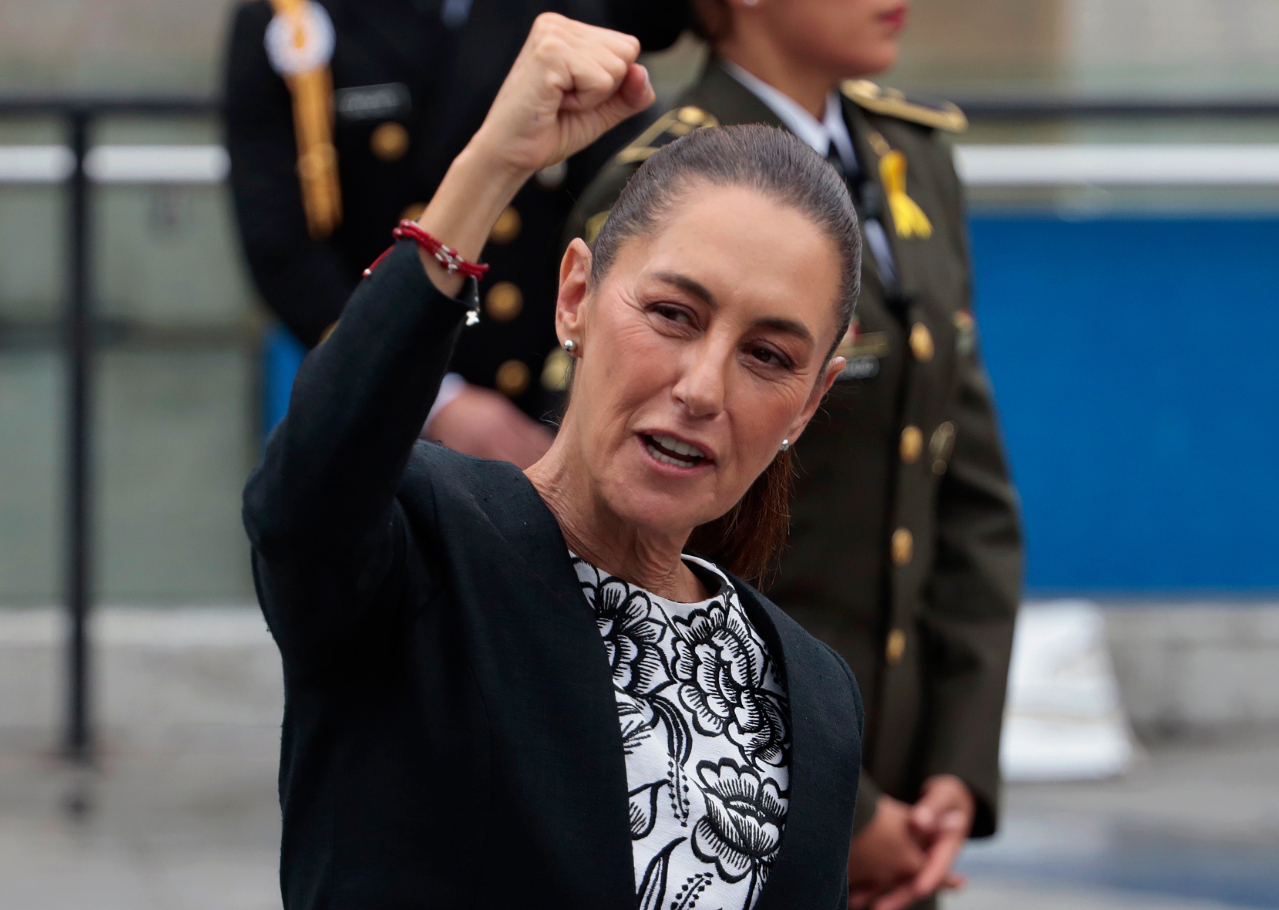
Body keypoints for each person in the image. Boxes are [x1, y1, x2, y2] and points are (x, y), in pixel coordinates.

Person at [243, 14, 866, 909]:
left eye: (768, 356)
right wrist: (493, 163)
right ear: (574, 297)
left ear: (810, 402)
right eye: (672, 315)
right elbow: (305, 491)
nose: (702, 387)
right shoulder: (418, 549)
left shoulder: (812, 694)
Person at [569, 3, 1023, 908]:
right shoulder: (668, 171)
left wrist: (953, 773)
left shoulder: (913, 156)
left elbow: (967, 492)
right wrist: (845, 811)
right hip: (736, 785)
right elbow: (633, 538)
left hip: (899, 788)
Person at [223, 0, 675, 466]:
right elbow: (282, 251)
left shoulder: (575, 10)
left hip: (542, 420)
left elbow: (620, 218)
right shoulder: (291, 21)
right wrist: (434, 399)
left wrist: (567, 415)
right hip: (379, 416)